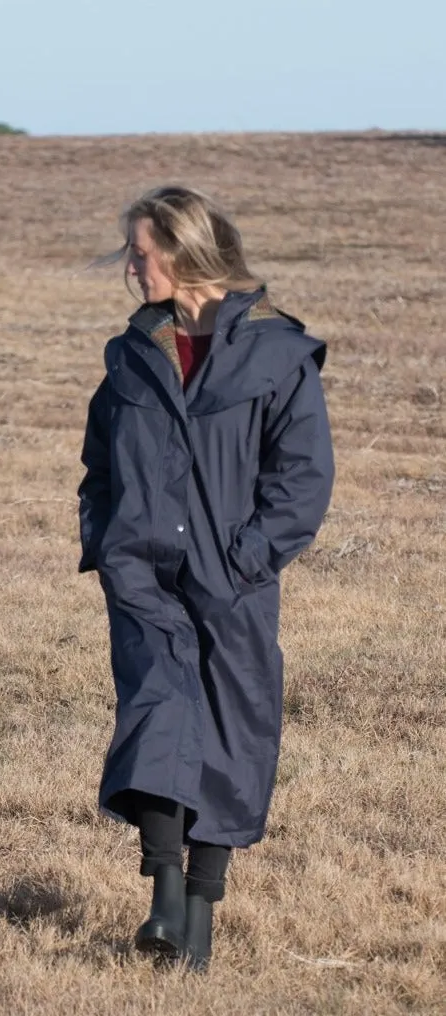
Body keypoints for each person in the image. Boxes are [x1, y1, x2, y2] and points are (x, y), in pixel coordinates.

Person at [77, 186, 334, 971]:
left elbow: (302, 480)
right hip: (143, 577)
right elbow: (98, 466)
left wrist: (247, 560)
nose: (130, 267)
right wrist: (107, 542)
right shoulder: (131, 353)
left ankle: (197, 921)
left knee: (232, 731)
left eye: (140, 252)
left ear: (184, 255)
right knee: (156, 711)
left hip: (234, 582)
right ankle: (160, 893)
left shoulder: (276, 355)